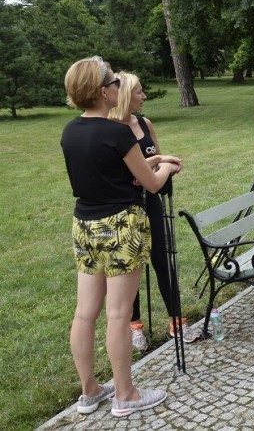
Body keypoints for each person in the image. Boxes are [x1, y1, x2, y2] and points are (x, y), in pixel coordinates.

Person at [61, 57, 182, 417]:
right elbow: (151, 184)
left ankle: (90, 392)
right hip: (121, 226)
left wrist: (154, 158)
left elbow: (109, 169)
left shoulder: (70, 131)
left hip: (84, 224)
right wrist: (167, 166)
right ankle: (125, 395)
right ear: (102, 92)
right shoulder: (117, 133)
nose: (119, 86)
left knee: (85, 313)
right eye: (114, 82)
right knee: (117, 313)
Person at [109, 72, 201, 350]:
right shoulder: (111, 128)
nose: (143, 96)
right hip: (125, 208)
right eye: (139, 91)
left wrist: (167, 166)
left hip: (152, 201)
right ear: (125, 94)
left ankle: (177, 321)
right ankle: (134, 325)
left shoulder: (144, 123)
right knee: (131, 266)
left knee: (163, 260)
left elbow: (156, 160)